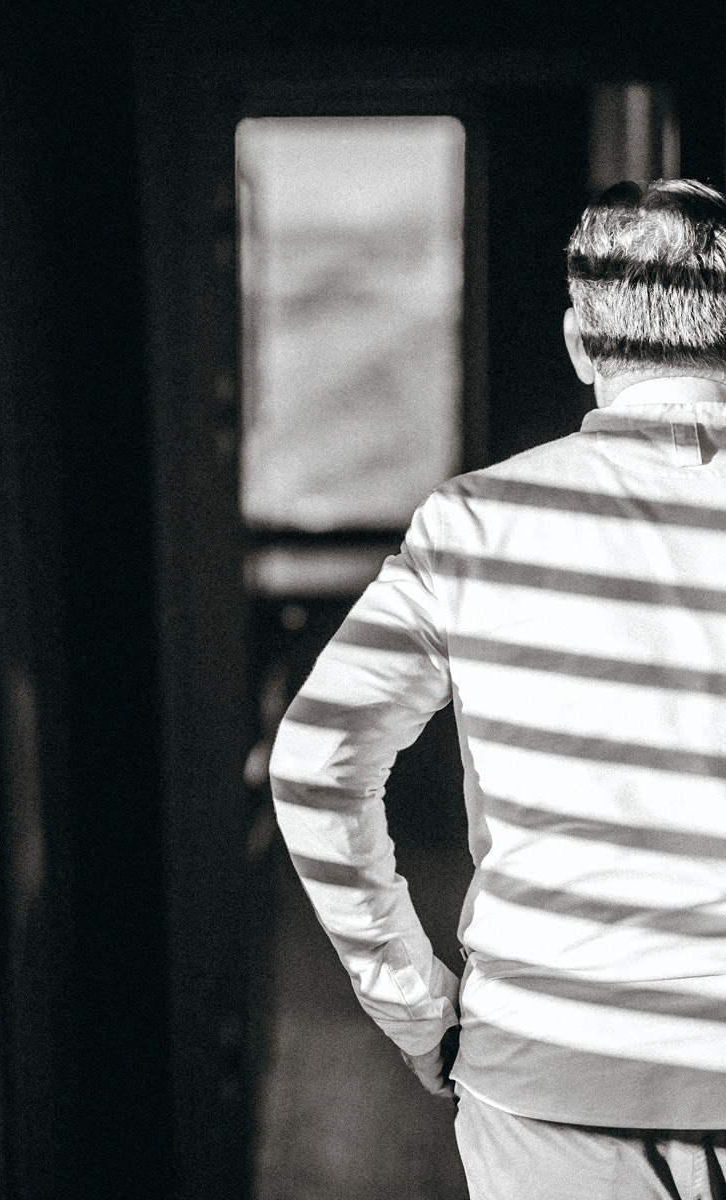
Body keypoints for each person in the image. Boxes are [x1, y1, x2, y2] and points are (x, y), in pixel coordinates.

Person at [270, 178, 726, 1200]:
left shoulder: (475, 524)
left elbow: (311, 763)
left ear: (579, 343)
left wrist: (412, 1003)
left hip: (550, 1078)